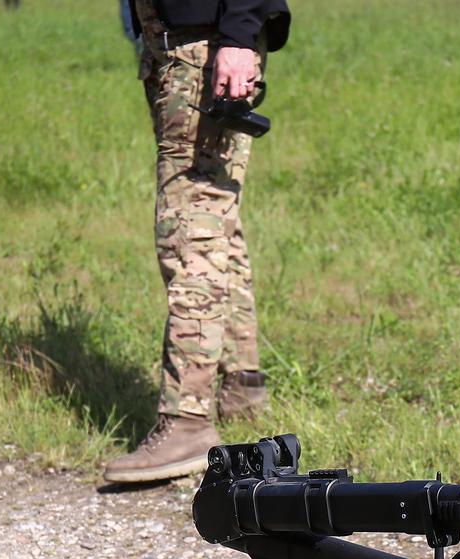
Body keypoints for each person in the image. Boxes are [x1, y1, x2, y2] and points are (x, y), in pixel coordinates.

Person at [105, 0, 291, 484]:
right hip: (178, 42)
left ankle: (187, 421)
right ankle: (240, 386)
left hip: (208, 43)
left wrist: (238, 37)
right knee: (213, 220)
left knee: (190, 229)